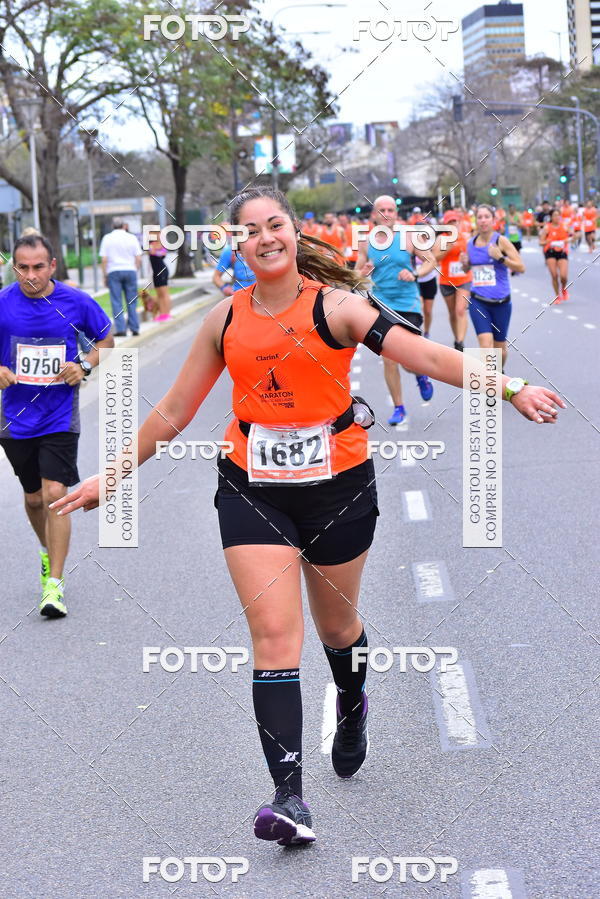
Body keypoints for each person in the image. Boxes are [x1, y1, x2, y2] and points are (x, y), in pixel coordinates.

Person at [51, 187, 564, 848]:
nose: (266, 237)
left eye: (276, 225)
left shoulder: (337, 307)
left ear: (293, 233)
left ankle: (351, 703)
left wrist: (511, 386)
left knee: (338, 627)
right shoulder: (224, 320)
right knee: (273, 635)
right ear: (236, 244)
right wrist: (111, 476)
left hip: (337, 489)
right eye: (251, 230)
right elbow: (175, 410)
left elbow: (425, 354)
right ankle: (289, 797)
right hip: (252, 487)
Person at [0, 233, 113, 617]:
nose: (30, 275)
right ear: (14, 267)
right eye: (22, 267)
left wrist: (83, 365)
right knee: (34, 498)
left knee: (54, 493)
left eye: (38, 267)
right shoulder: (3, 303)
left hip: (59, 415)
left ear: (52, 266)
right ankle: (47, 552)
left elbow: (106, 341)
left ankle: (55, 585)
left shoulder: (76, 302)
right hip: (14, 417)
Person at [356, 195, 435, 426]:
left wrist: (415, 273)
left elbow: (431, 261)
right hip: (381, 305)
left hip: (408, 304)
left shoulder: (408, 237)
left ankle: (420, 374)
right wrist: (363, 273)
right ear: (374, 214)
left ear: (396, 213)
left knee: (409, 361)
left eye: (391, 209)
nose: (387, 214)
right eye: (382, 210)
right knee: (389, 359)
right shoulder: (366, 242)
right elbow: (355, 274)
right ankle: (399, 407)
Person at [460, 203, 525, 371]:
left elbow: (521, 267)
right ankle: (491, 381)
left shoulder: (501, 241)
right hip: (478, 300)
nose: (483, 220)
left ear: (493, 220)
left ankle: (498, 373)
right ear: (476, 220)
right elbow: (468, 269)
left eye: (486, 217)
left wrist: (500, 258)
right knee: (485, 344)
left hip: (501, 302)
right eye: (479, 217)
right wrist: (465, 264)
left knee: (500, 349)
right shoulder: (470, 243)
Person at [420, 208, 471, 351]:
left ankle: (460, 342)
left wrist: (467, 260)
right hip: (446, 281)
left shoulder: (465, 237)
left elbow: (472, 257)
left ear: (459, 222)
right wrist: (447, 248)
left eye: (455, 221)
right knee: (453, 313)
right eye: (450, 222)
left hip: (464, 279)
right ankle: (457, 338)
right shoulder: (441, 239)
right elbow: (434, 259)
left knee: (460, 310)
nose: (453, 224)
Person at [99, 217, 142, 337]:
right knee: (132, 301)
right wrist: (135, 269)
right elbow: (138, 258)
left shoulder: (107, 238)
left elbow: (104, 259)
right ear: (124, 226)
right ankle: (134, 328)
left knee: (116, 301)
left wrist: (105, 275)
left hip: (114, 271)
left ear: (112, 226)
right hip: (130, 270)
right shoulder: (132, 237)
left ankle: (121, 329)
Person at [539, 208, 571, 302]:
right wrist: (547, 242)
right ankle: (557, 296)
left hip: (562, 252)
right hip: (550, 252)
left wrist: (570, 239)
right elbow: (541, 242)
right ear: (551, 217)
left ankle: (563, 289)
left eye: (558, 215)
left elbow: (573, 236)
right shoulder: (547, 228)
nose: (557, 217)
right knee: (554, 275)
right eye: (555, 215)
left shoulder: (564, 226)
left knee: (563, 276)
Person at [147, 229, 172, 321]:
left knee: (164, 293)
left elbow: (162, 253)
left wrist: (155, 251)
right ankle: (162, 314)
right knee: (159, 294)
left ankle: (167, 314)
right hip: (156, 272)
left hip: (161, 271)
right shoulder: (151, 244)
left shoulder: (160, 245)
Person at [505, 205, 523, 273]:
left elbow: (522, 224)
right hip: (509, 237)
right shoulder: (506, 216)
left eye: (513, 208)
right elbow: (501, 221)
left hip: (517, 237)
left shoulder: (518, 216)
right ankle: (512, 268)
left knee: (517, 253)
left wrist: (515, 223)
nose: (512, 210)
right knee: (509, 253)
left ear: (515, 209)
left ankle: (517, 266)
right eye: (510, 209)